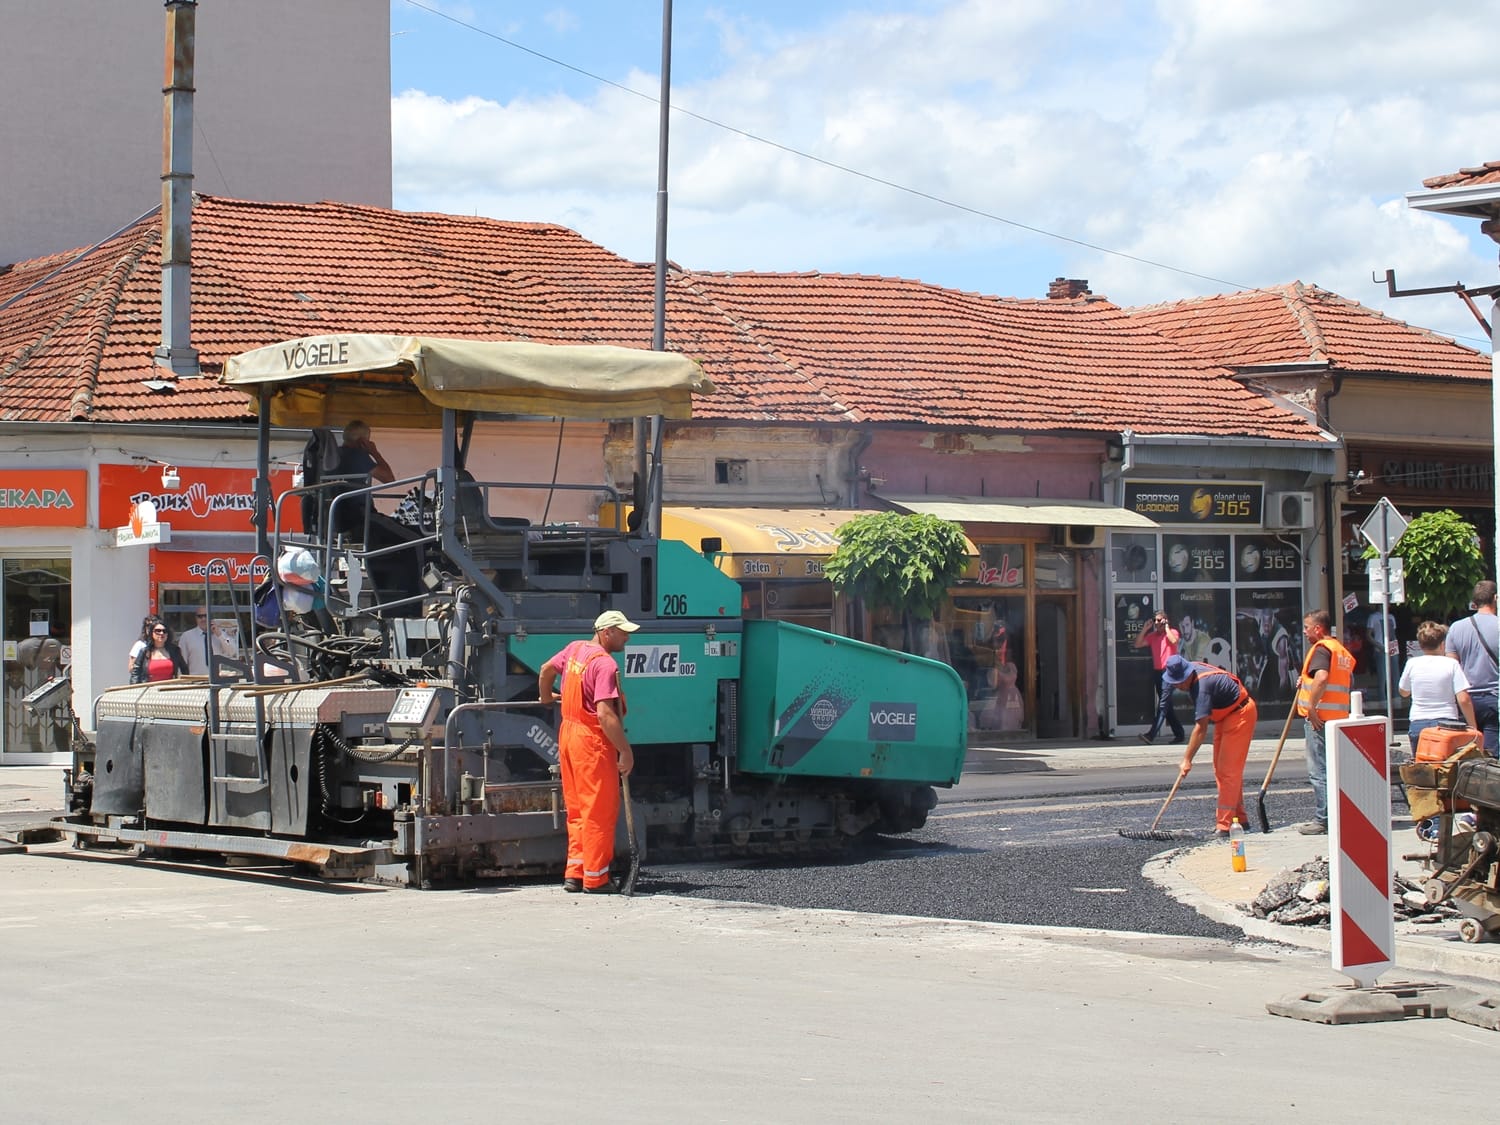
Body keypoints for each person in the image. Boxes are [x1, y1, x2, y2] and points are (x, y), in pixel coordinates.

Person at [537, 609, 639, 894]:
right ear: (607, 632)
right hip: (592, 742)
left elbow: (545, 670)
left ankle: (575, 872)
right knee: (599, 811)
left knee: (578, 810)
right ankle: (596, 879)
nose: (627, 638)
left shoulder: (575, 649)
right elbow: (606, 715)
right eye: (623, 633)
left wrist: (545, 698)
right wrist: (625, 751)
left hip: (568, 735)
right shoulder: (604, 664)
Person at [1161, 655, 1258, 837]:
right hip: (1225, 716)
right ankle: (1240, 819)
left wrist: (1187, 760)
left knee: (1228, 772)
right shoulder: (1192, 673)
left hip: (1240, 714)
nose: (1177, 686)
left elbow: (1201, 728)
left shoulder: (1202, 686)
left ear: (1187, 675)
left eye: (1178, 682)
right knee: (1221, 770)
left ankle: (1224, 825)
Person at [1294, 610, 1355, 835]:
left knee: (1319, 771)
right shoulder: (1340, 651)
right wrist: (1305, 680)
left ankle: (1324, 819)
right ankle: (1338, 816)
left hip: (1319, 720)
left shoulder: (1321, 649)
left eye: (1307, 627)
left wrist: (1311, 708)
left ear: (1318, 628)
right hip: (1338, 719)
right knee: (1334, 770)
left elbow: (1322, 678)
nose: (1304, 631)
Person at [1400, 620, 1477, 754]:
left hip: (1418, 723)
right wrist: (1473, 726)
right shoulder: (1451, 664)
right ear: (1442, 644)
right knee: (1446, 765)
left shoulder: (1412, 664)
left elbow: (1404, 692)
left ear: (1421, 645)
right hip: (1446, 723)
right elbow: (1463, 699)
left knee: (1422, 764)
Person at [1446, 580, 1499, 754]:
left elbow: (1452, 667)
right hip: (1494, 699)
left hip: (1466, 699)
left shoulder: (1456, 628)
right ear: (1495, 598)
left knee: (1470, 753)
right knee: (1492, 756)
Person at [1134, 609, 1185, 745]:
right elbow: (1137, 644)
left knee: (1163, 704)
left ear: (1165, 620)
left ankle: (1151, 735)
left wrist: (1166, 627)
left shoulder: (1172, 632)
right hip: (1158, 672)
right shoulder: (1153, 636)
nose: (1156, 623)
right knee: (1167, 705)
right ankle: (1179, 733)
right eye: (1155, 620)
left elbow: (1174, 641)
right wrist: (1145, 629)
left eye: (1159, 620)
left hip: (1170, 672)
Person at [177, 607, 238, 677]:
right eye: (200, 616)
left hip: (216, 678)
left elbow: (232, 651)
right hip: (195, 679)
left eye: (206, 616)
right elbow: (181, 662)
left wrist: (220, 635)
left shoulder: (220, 635)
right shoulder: (187, 636)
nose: (203, 619)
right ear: (196, 618)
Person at [336, 419, 394, 484]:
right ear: (363, 441)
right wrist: (374, 452)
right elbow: (390, 480)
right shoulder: (358, 456)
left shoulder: (333, 454)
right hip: (353, 491)